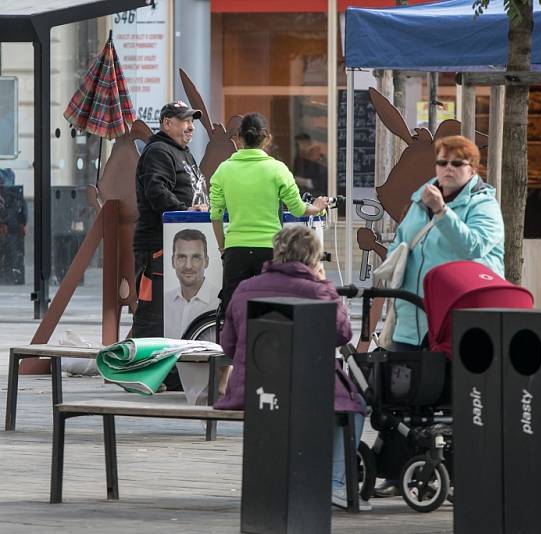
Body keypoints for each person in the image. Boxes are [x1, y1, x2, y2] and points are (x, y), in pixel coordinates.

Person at [374, 134, 505, 498]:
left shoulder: (483, 204)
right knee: (400, 395)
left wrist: (442, 214)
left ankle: (457, 472)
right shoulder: (422, 195)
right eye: (442, 162)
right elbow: (404, 239)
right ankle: (396, 469)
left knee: (456, 398)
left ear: (472, 168)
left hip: (457, 318)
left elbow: (474, 246)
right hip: (411, 311)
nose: (447, 170)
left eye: (456, 164)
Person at [213, 225, 369, 510]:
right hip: (308, 390)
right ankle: (335, 484)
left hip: (255, 389)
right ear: (313, 258)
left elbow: (228, 345)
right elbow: (343, 334)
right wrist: (326, 287)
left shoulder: (246, 288)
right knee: (355, 404)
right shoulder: (318, 291)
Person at [209, 113, 330, 315]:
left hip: (235, 251)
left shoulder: (224, 170)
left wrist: (223, 246)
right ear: (267, 138)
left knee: (233, 312)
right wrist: (317, 206)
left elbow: (215, 215)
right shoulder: (277, 169)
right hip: (269, 250)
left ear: (238, 138)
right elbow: (299, 209)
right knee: (270, 314)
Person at [132, 100, 205, 391]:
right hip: (158, 246)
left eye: (192, 121)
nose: (190, 127)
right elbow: (156, 191)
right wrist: (185, 214)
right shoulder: (159, 151)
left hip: (178, 244)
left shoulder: (182, 153)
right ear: (167, 123)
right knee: (154, 314)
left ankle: (168, 374)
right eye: (185, 121)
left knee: (174, 313)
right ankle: (136, 374)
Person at [164, 229, 223, 406]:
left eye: (196, 257)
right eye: (181, 257)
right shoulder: (165, 300)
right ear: (172, 261)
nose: (188, 265)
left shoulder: (219, 301)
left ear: (206, 261)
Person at [292, 132, 327, 197]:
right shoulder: (298, 159)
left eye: (303, 144)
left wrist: (304, 182)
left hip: (317, 194)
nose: (301, 147)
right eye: (298, 145)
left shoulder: (318, 159)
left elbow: (321, 183)